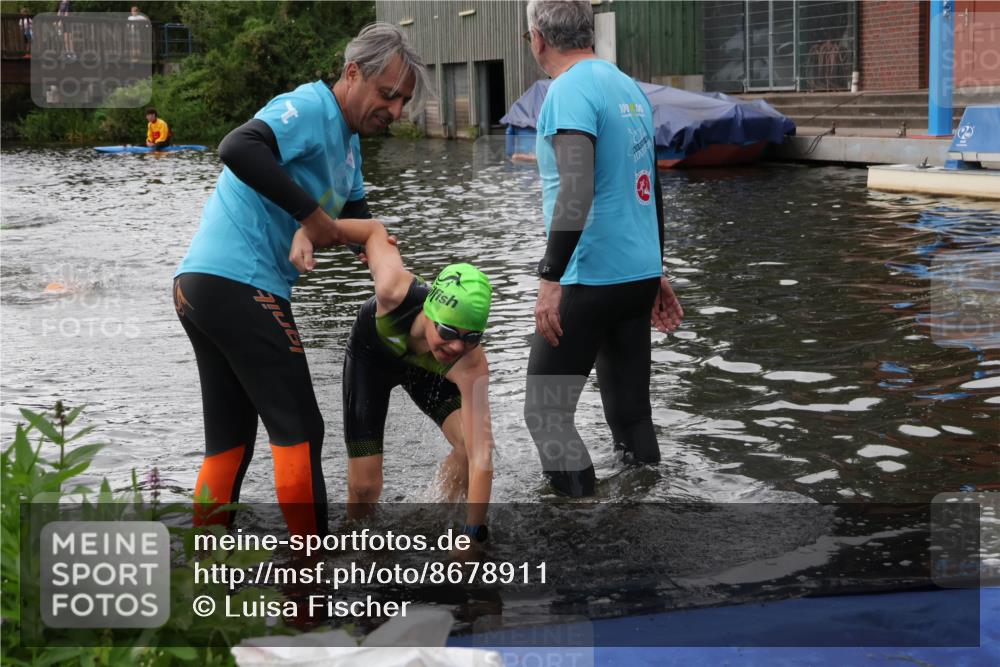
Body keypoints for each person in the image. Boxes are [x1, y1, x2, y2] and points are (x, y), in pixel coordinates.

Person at [173, 23, 430, 536]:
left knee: (230, 441)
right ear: (352, 73)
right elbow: (238, 147)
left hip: (203, 289)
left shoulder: (350, 151)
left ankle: (201, 568)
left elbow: (356, 230)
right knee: (300, 431)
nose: (396, 112)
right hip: (237, 282)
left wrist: (384, 250)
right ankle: (308, 586)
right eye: (388, 95)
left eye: (403, 101)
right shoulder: (311, 108)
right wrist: (311, 217)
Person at [522, 0, 684, 497]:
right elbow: (648, 184)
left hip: (586, 278)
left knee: (546, 413)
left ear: (538, 39)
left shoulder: (568, 91)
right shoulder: (626, 85)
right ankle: (643, 509)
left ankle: (581, 520)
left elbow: (577, 189)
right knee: (631, 413)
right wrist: (655, 269)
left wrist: (550, 278)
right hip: (634, 276)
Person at [291, 223, 496, 544]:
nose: (456, 346)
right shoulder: (393, 288)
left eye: (470, 337)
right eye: (448, 331)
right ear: (430, 311)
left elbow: (484, 457)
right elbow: (373, 231)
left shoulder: (471, 363)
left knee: (469, 450)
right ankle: (359, 546)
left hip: (427, 370)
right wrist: (308, 232)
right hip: (370, 359)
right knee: (364, 487)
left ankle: (435, 508)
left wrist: (472, 536)